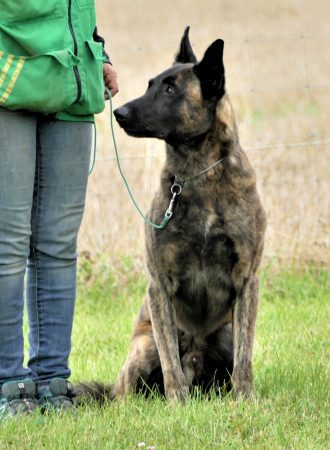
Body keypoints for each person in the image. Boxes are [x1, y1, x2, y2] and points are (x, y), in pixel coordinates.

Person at [0, 1, 118, 419]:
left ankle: (52, 379)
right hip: (9, 80)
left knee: (58, 244)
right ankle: (8, 383)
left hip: (72, 86)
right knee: (9, 245)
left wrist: (98, 53)